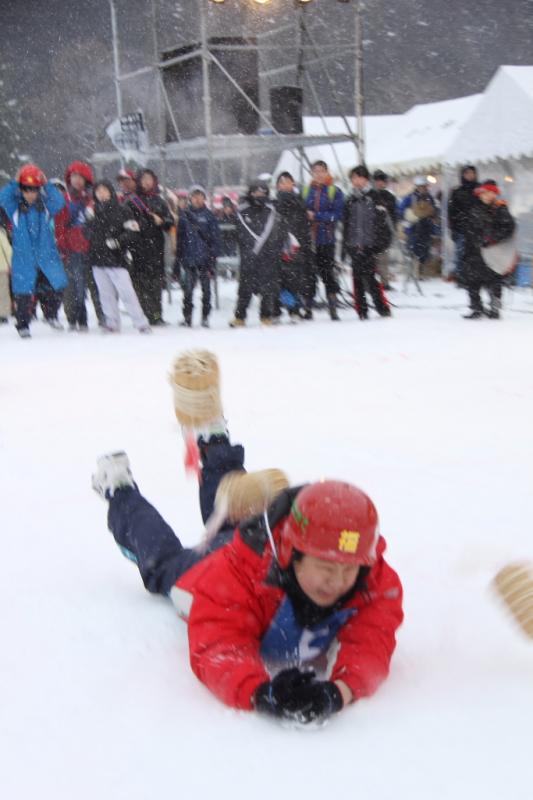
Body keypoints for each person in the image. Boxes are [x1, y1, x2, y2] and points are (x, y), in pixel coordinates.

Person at [92, 428, 403, 723]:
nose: (337, 581)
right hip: (208, 570)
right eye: (325, 568)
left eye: (349, 569)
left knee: (231, 517)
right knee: (162, 563)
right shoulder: (234, 576)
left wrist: (338, 693)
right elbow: (219, 645)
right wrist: (262, 693)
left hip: (252, 538)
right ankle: (120, 492)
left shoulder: (374, 579)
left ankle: (214, 440)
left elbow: (372, 642)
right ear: (293, 553)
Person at [0, 164, 67, 338]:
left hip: (46, 254)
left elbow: (59, 201)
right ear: (21, 190)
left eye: (34, 189)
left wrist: (46, 184)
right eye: (26, 189)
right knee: (23, 292)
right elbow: (3, 197)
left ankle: (51, 315)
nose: (30, 193)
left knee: (56, 284)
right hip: (24, 257)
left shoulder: (45, 207)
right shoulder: (15, 208)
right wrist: (15, 182)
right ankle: (23, 324)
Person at [84, 180, 151, 334]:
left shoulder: (123, 210)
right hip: (97, 260)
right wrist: (91, 227)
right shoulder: (92, 211)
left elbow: (133, 231)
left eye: (104, 190)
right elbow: (86, 231)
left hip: (117, 259)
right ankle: (111, 321)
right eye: (98, 191)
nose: (101, 194)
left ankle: (140, 322)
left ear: (111, 192)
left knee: (127, 292)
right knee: (105, 294)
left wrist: (118, 242)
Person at [229, 180, 287, 327]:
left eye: (262, 192)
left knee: (267, 288)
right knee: (244, 288)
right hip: (249, 255)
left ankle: (266, 316)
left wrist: (273, 249)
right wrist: (250, 249)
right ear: (251, 193)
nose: (259, 195)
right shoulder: (242, 211)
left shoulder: (272, 210)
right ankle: (240, 317)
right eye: (256, 192)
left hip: (268, 255)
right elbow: (239, 233)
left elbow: (278, 233)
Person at [58, 160, 105, 331]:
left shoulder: (93, 199)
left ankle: (103, 317)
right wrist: (63, 245)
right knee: (73, 286)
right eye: (74, 176)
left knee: (96, 285)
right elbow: (59, 225)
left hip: (92, 248)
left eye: (81, 177)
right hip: (71, 249)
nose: (77, 180)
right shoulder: (64, 200)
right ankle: (76, 317)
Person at [342, 166, 392, 320]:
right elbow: (346, 223)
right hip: (354, 243)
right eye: (354, 178)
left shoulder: (374, 197)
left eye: (360, 178)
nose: (357, 181)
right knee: (357, 279)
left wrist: (380, 243)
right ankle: (361, 309)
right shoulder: (349, 199)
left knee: (371, 278)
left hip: (370, 244)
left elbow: (383, 223)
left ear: (366, 179)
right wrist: (346, 245)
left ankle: (381, 307)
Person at [126, 169, 174, 326]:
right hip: (138, 248)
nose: (147, 182)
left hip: (156, 248)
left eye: (150, 179)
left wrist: (162, 221)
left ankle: (156, 315)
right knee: (140, 283)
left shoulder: (159, 201)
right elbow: (128, 224)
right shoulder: (132, 201)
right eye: (144, 179)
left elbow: (170, 222)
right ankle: (143, 315)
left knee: (156, 283)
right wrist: (146, 223)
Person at [462, 181, 516, 319]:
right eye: (484, 193)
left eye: (490, 193)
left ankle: (494, 308)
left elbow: (508, 228)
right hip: (474, 251)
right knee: (472, 281)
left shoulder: (500, 209)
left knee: (494, 280)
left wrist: (491, 239)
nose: (486, 196)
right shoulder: (474, 209)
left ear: (495, 194)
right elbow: (469, 229)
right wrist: (469, 246)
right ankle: (476, 308)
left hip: (493, 251)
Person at [301, 160, 344, 320]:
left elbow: (338, 215)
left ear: (327, 172)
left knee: (328, 274)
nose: (318, 174)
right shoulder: (306, 191)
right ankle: (307, 308)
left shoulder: (334, 191)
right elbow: (300, 212)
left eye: (321, 171)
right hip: (309, 240)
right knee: (308, 275)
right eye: (315, 171)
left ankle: (333, 308)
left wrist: (317, 216)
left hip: (326, 239)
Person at [175, 185, 220, 328]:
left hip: (205, 260)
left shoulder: (209, 216)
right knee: (187, 291)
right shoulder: (184, 216)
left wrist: (212, 257)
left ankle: (205, 317)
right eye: (194, 196)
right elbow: (180, 238)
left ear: (204, 198)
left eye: (200, 196)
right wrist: (179, 257)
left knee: (206, 291)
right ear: (190, 198)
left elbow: (215, 238)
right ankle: (187, 317)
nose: (197, 199)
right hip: (189, 259)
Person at [275, 171, 313, 321]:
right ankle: (277, 310)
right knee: (279, 280)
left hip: (297, 245)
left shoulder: (300, 202)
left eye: (287, 181)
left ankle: (294, 310)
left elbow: (304, 225)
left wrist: (304, 244)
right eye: (281, 182)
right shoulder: (274, 203)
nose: (284, 185)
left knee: (295, 279)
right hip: (279, 245)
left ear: (293, 184)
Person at [398, 176, 437, 280]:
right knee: (412, 250)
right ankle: (411, 272)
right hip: (413, 228)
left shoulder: (430, 198)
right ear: (417, 187)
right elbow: (401, 211)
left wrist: (432, 216)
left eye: (425, 186)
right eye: (421, 186)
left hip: (426, 228)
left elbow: (434, 212)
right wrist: (407, 218)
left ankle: (421, 272)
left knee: (424, 251)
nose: (423, 188)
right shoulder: (410, 198)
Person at [448, 165, 480, 287]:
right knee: (461, 254)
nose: (470, 175)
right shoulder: (457, 191)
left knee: (476, 255)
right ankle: (461, 278)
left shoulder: (479, 190)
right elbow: (452, 212)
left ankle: (476, 279)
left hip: (477, 228)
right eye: (467, 173)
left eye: (472, 173)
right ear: (463, 175)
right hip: (461, 228)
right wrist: (453, 228)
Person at [372, 170, 397, 290]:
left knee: (383, 259)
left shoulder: (389, 196)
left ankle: (384, 282)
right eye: (377, 181)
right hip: (371, 232)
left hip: (384, 232)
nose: (380, 183)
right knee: (371, 260)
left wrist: (393, 230)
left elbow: (393, 215)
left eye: (382, 181)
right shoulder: (369, 195)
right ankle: (372, 283)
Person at [0, 210, 12, 323]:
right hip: (2, 267)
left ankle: (3, 314)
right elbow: (8, 250)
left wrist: (10, 263)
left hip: (2, 267)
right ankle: (2, 313)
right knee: (3, 292)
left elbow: (7, 250)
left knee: (3, 291)